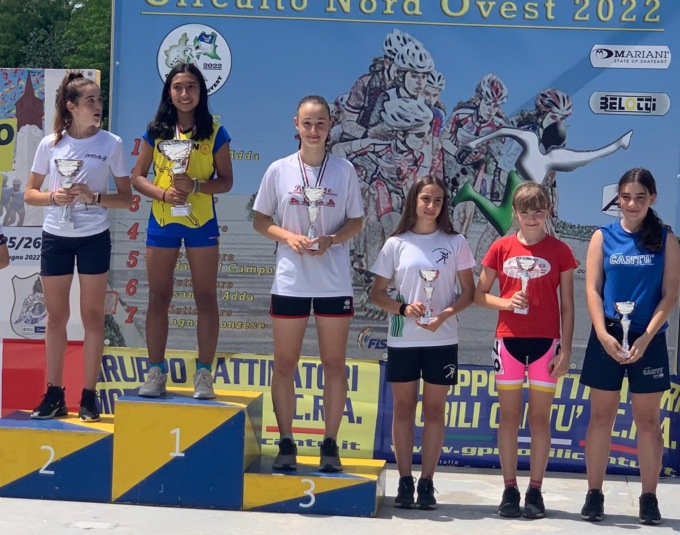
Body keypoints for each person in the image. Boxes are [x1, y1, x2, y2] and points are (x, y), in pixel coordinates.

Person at [252, 95, 363, 473]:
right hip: (291, 280)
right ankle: (286, 441)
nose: (314, 130)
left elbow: (356, 221)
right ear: (296, 125)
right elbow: (260, 220)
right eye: (307, 123)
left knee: (334, 364)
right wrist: (289, 238)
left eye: (320, 123)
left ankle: (330, 443)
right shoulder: (279, 170)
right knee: (285, 363)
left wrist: (332, 239)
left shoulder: (344, 170)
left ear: (330, 126)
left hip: (333, 281)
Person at [25, 72, 132, 421]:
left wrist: (96, 198)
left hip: (93, 237)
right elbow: (30, 193)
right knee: (56, 316)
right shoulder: (50, 144)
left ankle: (89, 395)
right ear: (71, 106)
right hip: (56, 236)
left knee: (92, 315)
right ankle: (55, 393)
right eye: (91, 101)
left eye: (100, 100)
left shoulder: (111, 143)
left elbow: (127, 198)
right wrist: (53, 197)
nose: (98, 106)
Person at [579, 168, 679, 525]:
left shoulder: (666, 238)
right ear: (617, 199)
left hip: (649, 337)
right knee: (601, 417)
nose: (632, 204)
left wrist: (647, 337)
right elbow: (592, 289)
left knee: (648, 421)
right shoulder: (602, 236)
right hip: (607, 335)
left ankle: (649, 497)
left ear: (652, 198)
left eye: (640, 197)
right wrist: (602, 334)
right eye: (626, 197)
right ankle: (594, 493)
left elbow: (670, 294)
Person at [370, 174, 475, 509]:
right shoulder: (396, 243)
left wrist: (444, 314)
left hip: (442, 339)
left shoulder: (456, 242)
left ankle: (427, 481)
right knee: (403, 409)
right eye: (426, 199)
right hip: (403, 340)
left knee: (434, 410)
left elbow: (469, 293)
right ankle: (404, 480)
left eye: (438, 201)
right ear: (414, 201)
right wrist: (404, 309)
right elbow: (377, 294)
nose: (431, 206)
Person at [131, 62, 234, 400]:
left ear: (201, 91)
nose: (185, 93)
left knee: (206, 297)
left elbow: (226, 181)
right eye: (178, 87)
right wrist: (163, 194)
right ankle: (155, 371)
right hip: (163, 222)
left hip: (201, 223)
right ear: (169, 92)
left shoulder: (215, 131)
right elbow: (137, 177)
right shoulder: (156, 130)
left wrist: (197, 186)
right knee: (158, 297)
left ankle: (204, 373)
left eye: (191, 86)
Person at [474, 182, 576, 518]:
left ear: (548, 212)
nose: (532, 217)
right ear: (515, 213)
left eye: (539, 211)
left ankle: (535, 490)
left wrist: (565, 350)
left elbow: (568, 306)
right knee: (509, 417)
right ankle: (509, 489)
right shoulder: (500, 247)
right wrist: (506, 302)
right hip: (508, 342)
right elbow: (479, 296)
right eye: (525, 211)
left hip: (547, 344)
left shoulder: (560, 250)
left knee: (539, 419)